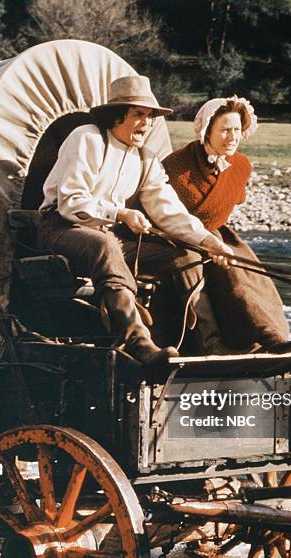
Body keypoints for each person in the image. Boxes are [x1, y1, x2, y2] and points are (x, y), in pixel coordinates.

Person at [37, 75, 233, 365]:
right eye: (139, 115)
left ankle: (207, 344)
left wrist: (207, 241)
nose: (147, 123)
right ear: (116, 117)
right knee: (104, 245)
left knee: (185, 256)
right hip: (60, 228)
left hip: (107, 237)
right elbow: (71, 202)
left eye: (151, 116)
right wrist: (120, 213)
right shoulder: (87, 138)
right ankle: (137, 341)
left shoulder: (145, 158)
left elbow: (168, 209)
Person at [162, 96, 291, 354]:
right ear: (206, 131)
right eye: (224, 130)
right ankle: (213, 344)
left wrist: (217, 241)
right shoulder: (176, 165)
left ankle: (270, 337)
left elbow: (225, 207)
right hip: (176, 235)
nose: (232, 136)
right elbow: (165, 214)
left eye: (237, 130)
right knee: (199, 268)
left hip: (216, 233)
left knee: (248, 271)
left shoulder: (241, 166)